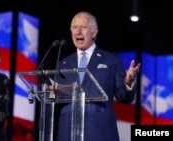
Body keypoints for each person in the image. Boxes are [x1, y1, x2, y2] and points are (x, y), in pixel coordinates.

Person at [52, 11, 141, 141]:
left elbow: (124, 97)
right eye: (75, 27)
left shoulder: (111, 60)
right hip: (68, 132)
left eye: (83, 27)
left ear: (94, 32)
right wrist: (50, 90)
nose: (78, 32)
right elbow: (54, 97)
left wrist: (128, 81)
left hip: (100, 131)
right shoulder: (63, 63)